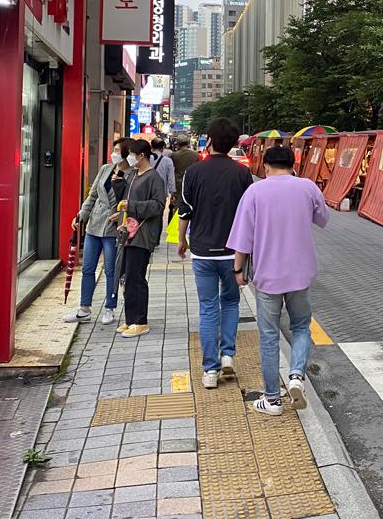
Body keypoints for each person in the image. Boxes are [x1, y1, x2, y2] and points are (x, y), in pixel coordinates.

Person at [228, 145, 329, 416]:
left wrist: (238, 269)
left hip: (268, 276)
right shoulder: (307, 187)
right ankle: (297, 375)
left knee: (270, 336)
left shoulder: (255, 192)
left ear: (266, 166)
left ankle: (272, 399)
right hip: (300, 274)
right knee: (300, 327)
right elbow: (323, 219)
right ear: (293, 164)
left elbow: (243, 238)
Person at [179, 117, 253, 389]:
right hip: (234, 253)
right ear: (234, 143)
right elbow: (249, 215)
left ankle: (209, 371)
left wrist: (180, 240)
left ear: (209, 139)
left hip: (202, 252)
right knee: (231, 303)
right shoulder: (242, 174)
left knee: (208, 308)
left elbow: (185, 210)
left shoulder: (194, 172)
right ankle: (228, 358)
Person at [65, 138, 132, 325]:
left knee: (111, 270)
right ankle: (84, 309)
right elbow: (92, 195)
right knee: (87, 268)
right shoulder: (105, 169)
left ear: (127, 153)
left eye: (118, 150)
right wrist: (81, 215)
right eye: (114, 149)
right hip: (94, 225)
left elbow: (131, 200)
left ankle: (110, 308)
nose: (114, 153)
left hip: (112, 229)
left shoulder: (132, 175)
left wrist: (120, 214)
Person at [112, 138, 167, 338]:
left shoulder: (154, 178)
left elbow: (158, 206)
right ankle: (130, 319)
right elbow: (127, 202)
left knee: (136, 277)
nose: (130, 159)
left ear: (142, 155)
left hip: (143, 235)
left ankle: (140, 321)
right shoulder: (134, 175)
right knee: (127, 277)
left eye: (132, 155)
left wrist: (133, 207)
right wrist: (119, 214)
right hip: (129, 232)